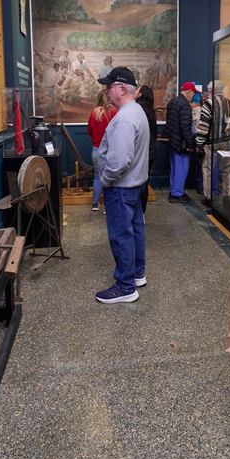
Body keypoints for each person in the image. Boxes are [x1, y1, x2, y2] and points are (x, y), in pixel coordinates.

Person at [95, 67, 150, 304]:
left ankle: (125, 286)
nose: (106, 92)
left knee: (120, 234)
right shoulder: (136, 111)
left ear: (122, 88)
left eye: (109, 87)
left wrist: (105, 180)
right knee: (134, 230)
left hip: (121, 186)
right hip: (135, 185)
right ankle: (137, 274)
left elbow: (119, 161)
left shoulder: (125, 118)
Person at [196, 80, 230, 205]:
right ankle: (226, 195)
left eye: (208, 90)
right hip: (226, 141)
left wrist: (199, 143)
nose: (208, 92)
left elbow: (203, 125)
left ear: (212, 90)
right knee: (226, 170)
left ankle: (209, 197)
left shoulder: (208, 103)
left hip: (211, 142)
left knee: (207, 170)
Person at [165, 81, 197, 202]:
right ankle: (177, 194)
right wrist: (191, 143)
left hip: (173, 141)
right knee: (181, 169)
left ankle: (174, 190)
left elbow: (170, 123)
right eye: (193, 93)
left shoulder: (172, 102)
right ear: (188, 91)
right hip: (181, 144)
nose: (193, 96)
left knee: (175, 168)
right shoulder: (185, 105)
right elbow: (185, 127)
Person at [87, 90, 117, 211]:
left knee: (98, 177)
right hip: (110, 149)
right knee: (110, 178)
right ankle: (108, 207)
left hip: (96, 149)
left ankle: (95, 204)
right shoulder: (114, 112)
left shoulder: (94, 113)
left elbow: (89, 131)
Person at [135, 85, 158, 213]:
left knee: (137, 182)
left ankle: (137, 211)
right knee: (145, 180)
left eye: (138, 90)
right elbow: (154, 133)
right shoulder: (151, 110)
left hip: (142, 150)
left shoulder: (137, 108)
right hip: (151, 150)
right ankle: (142, 211)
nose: (136, 92)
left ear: (141, 94)